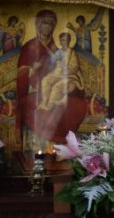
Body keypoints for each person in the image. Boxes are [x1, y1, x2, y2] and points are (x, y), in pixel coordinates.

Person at [16, 9, 88, 145]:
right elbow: (21, 75)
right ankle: (40, 146)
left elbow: (71, 68)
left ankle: (64, 146)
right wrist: (33, 69)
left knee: (74, 105)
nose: (48, 27)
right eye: (45, 23)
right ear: (38, 25)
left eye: (51, 24)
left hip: (59, 83)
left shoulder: (56, 48)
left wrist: (69, 82)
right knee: (34, 104)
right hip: (36, 89)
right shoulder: (30, 47)